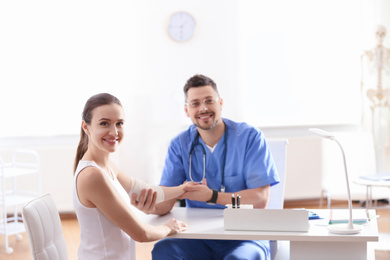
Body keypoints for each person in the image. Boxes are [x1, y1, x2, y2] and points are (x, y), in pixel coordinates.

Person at [132, 74, 280, 259]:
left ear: (221, 104)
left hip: (245, 236)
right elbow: (167, 201)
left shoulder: (249, 137)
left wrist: (212, 196)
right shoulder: (180, 145)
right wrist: (148, 206)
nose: (203, 108)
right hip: (197, 235)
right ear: (186, 110)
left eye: (209, 101)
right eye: (195, 103)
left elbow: (259, 199)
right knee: (164, 250)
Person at [73, 93, 198, 260]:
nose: (114, 131)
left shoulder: (105, 167)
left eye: (119, 123)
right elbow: (141, 234)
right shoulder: (92, 176)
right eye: (104, 123)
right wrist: (169, 228)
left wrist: (183, 189)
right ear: (86, 127)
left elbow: (142, 191)